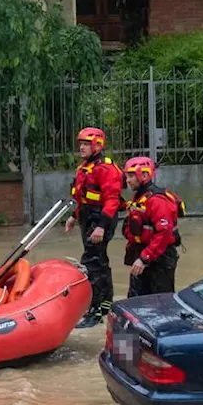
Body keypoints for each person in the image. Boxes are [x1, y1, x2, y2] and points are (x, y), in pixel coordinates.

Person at [63, 127, 124, 328]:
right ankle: (106, 302)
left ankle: (95, 311)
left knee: (91, 262)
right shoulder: (84, 168)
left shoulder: (106, 169)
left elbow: (112, 200)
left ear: (97, 145)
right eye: (80, 143)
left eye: (86, 144)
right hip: (88, 218)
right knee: (99, 260)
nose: (81, 147)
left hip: (101, 220)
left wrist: (101, 227)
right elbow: (82, 196)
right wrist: (74, 216)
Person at [121, 156, 185, 298]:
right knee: (135, 300)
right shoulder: (139, 198)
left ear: (144, 175)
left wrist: (144, 259)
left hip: (159, 259)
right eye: (127, 176)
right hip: (144, 254)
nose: (128, 180)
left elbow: (163, 234)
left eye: (131, 176)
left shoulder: (157, 200)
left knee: (160, 303)